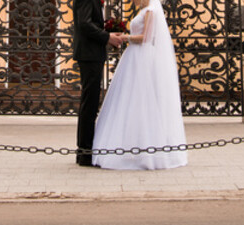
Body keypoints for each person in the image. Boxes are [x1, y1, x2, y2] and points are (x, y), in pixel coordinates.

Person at [92, 0, 187, 170]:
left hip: (141, 57)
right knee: (129, 100)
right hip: (134, 56)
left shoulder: (151, 11)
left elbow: (147, 38)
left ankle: (144, 149)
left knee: (140, 100)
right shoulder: (143, 11)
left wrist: (124, 37)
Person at [73, 0, 125, 167]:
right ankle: (85, 151)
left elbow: (90, 23)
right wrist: (107, 37)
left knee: (91, 102)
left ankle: (85, 150)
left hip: (92, 54)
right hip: (89, 54)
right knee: (89, 103)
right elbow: (84, 24)